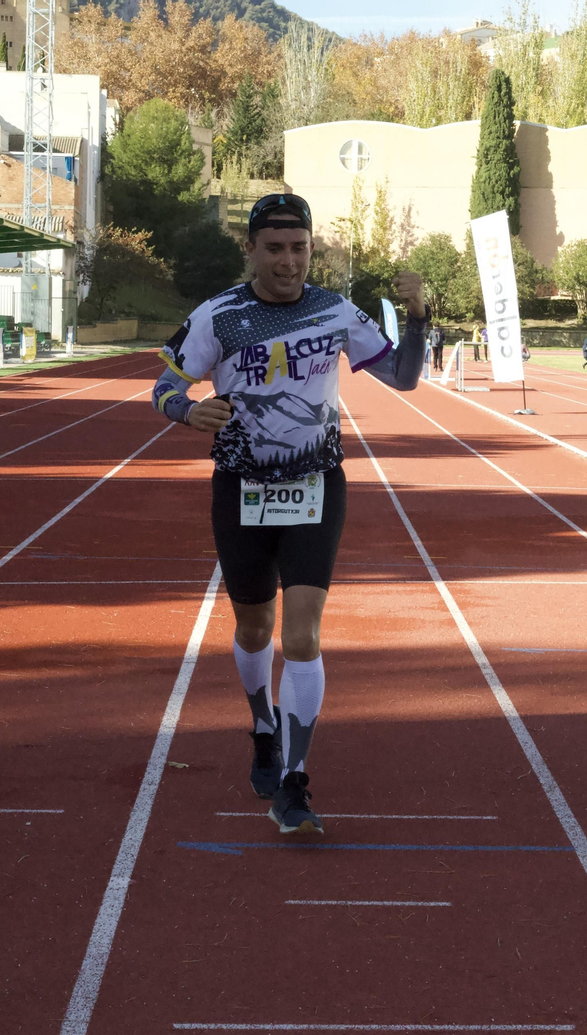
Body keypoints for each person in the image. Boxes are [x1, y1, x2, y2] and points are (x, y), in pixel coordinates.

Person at [151, 192, 429, 835]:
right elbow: (165, 386)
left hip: (316, 485)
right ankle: (262, 727)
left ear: (311, 249)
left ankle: (296, 784)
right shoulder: (217, 317)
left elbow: (405, 379)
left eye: (298, 248)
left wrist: (418, 317)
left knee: (301, 636)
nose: (288, 261)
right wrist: (188, 411)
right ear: (250, 250)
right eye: (273, 248)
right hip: (241, 489)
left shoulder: (334, 311)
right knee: (255, 631)